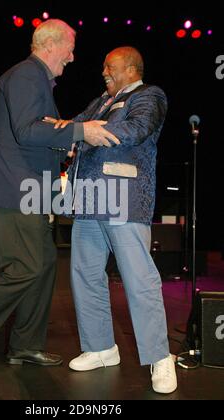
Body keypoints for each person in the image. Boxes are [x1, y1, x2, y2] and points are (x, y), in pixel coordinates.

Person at [0, 19, 119, 385]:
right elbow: (26, 130)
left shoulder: (35, 79)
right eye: (70, 48)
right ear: (51, 44)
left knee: (44, 261)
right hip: (13, 189)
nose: (72, 57)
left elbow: (34, 130)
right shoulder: (26, 74)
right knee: (24, 267)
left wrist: (64, 139)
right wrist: (78, 130)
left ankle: (24, 343)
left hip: (29, 190)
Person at [50, 46, 177, 394]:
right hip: (89, 201)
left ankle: (160, 358)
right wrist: (59, 129)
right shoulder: (100, 102)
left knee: (139, 280)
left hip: (124, 199)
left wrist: (86, 134)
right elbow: (75, 126)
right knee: (86, 275)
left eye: (110, 66)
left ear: (132, 68)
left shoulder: (149, 95)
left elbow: (134, 130)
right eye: (104, 66)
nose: (103, 71)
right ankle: (101, 347)